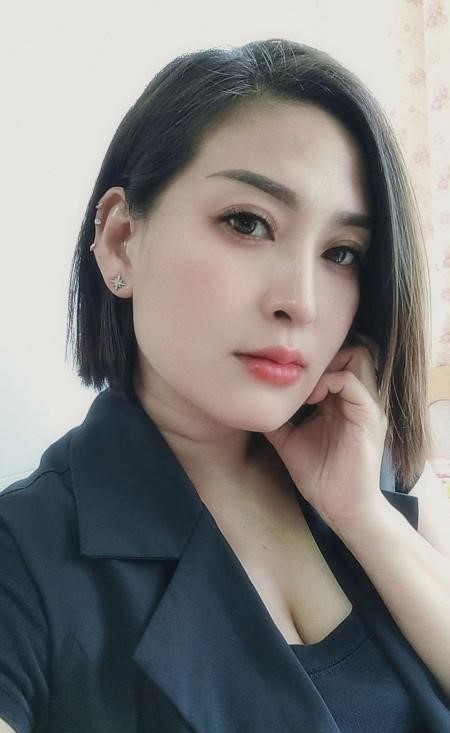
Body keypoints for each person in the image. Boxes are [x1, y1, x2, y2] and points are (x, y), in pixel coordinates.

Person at [0, 38, 449, 733]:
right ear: (121, 240)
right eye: (247, 222)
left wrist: (362, 513)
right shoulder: (24, 555)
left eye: (341, 253)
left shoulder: (380, 468)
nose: (300, 301)